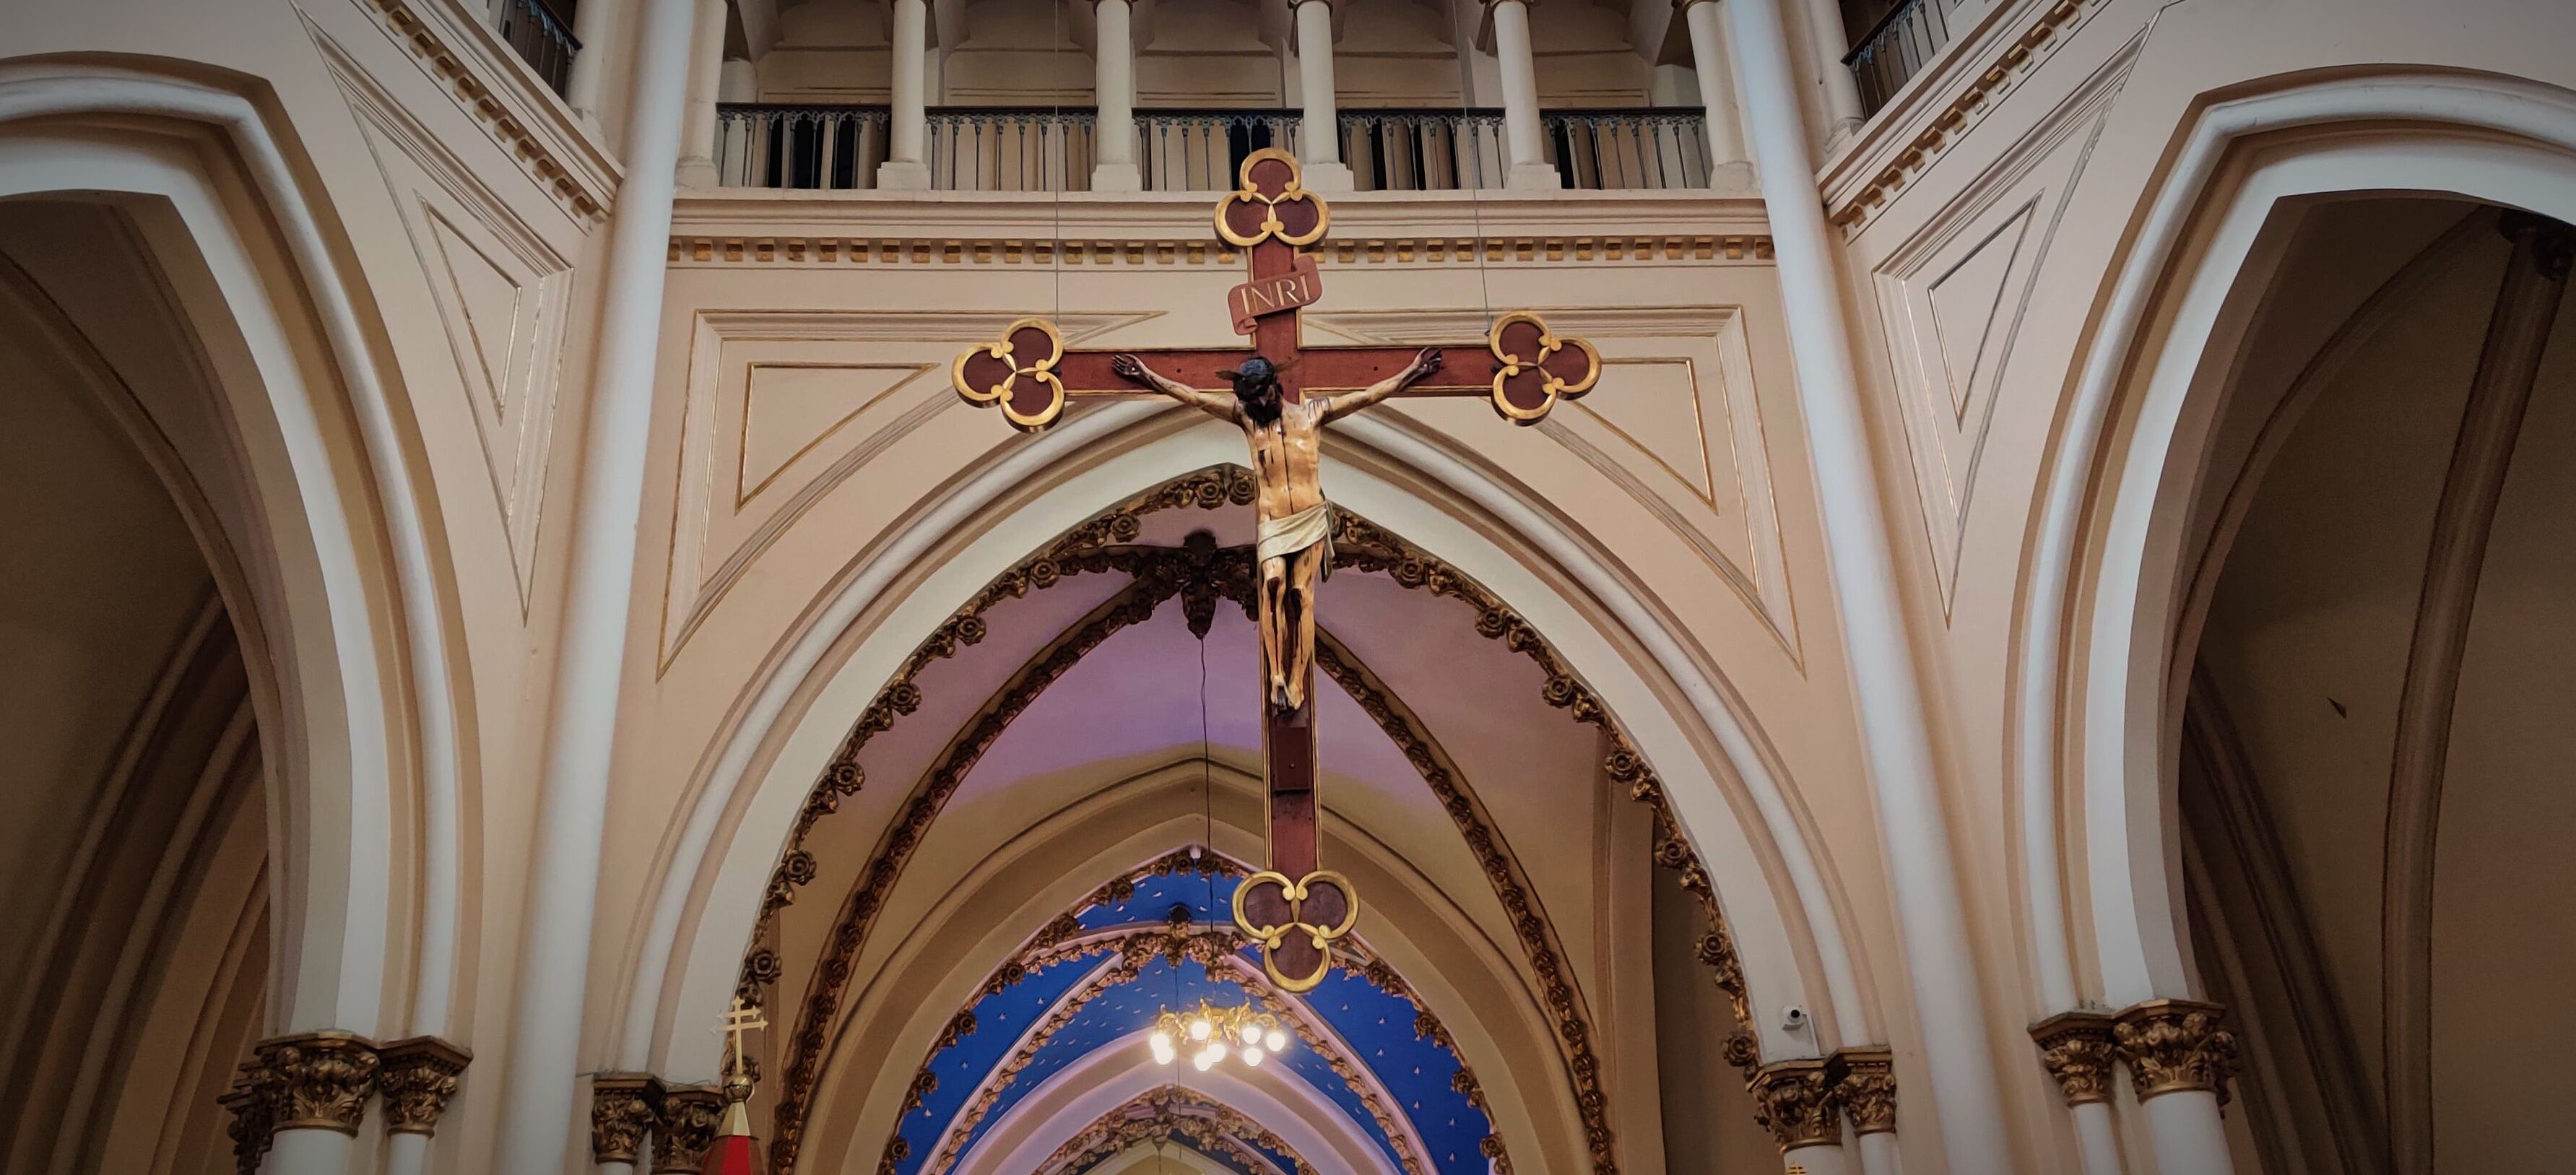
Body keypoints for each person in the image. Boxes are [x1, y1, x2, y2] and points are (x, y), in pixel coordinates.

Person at [1110, 348, 1444, 711]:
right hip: (1272, 521)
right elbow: (1193, 396)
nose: (1255, 404)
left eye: (1259, 395)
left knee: (1300, 594)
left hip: (1310, 516)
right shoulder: (1248, 420)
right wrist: (1147, 377)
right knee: (1271, 585)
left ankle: (1296, 681)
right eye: (1248, 399)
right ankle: (1276, 677)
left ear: (1274, 386)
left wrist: (1411, 373)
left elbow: (1367, 396)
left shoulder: (1314, 414)